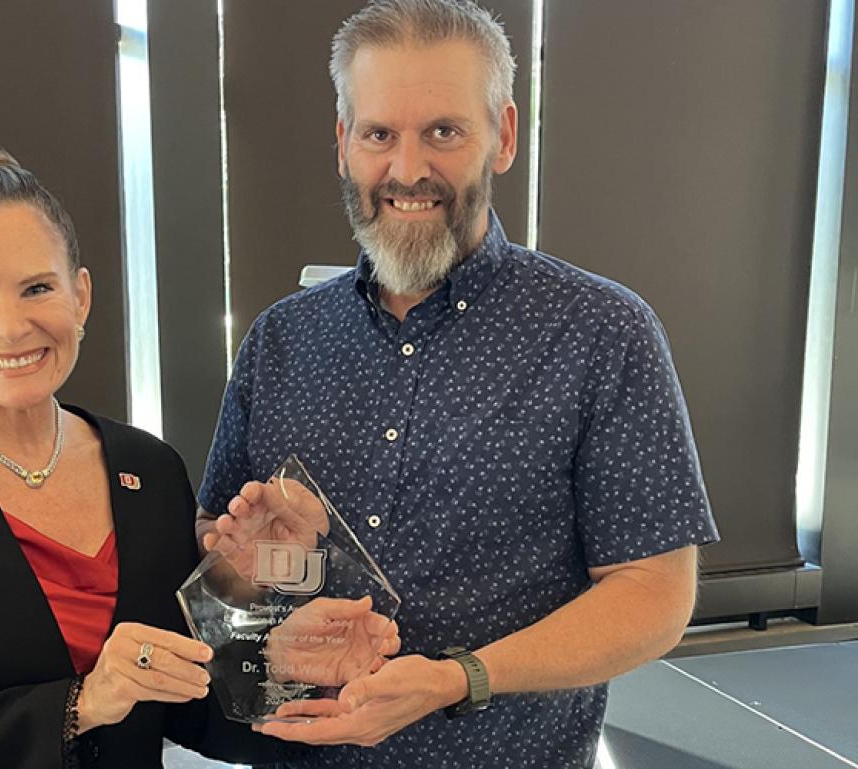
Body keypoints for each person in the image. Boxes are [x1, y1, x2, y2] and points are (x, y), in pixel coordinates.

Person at [197, 1, 720, 767]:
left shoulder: (602, 333)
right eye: (380, 134)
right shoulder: (281, 340)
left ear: (503, 135)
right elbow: (227, 586)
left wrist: (460, 678)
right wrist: (276, 568)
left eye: (443, 131)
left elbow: (654, 593)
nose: (408, 169)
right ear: (343, 144)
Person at [0, 145, 292, 768]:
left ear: (81, 297)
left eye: (36, 287)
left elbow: (206, 708)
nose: (11, 327)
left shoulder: (148, 470)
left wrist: (270, 619)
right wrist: (83, 702)